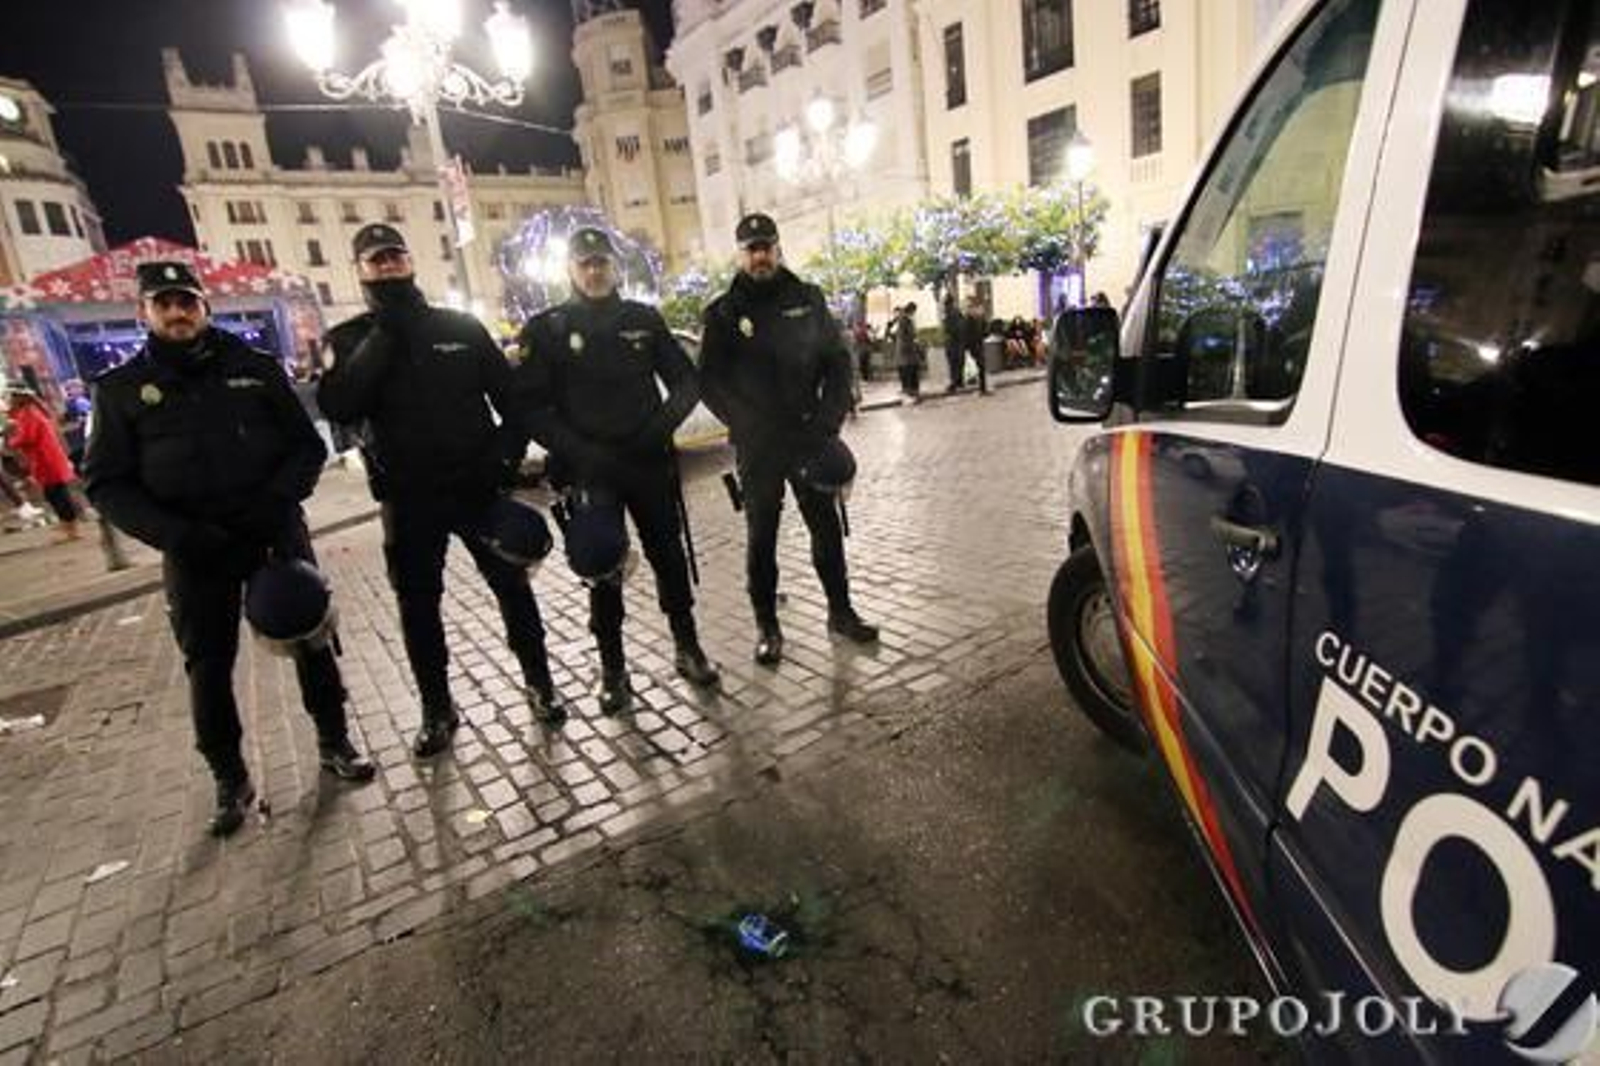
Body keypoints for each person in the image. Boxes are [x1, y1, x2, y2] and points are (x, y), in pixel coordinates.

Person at [84, 261, 374, 837]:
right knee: (208, 665)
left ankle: (335, 741)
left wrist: (278, 500)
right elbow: (106, 484)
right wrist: (176, 535)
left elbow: (306, 447)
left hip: (271, 534)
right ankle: (229, 777)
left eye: (186, 301)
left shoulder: (256, 368)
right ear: (144, 312)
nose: (177, 312)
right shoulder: (120, 390)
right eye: (164, 303)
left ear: (204, 306)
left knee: (312, 640)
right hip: (196, 550)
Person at [319, 223, 566, 753]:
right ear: (359, 270)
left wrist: (503, 461)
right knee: (418, 606)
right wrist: (386, 333)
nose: (388, 266)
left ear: (410, 262)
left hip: (475, 487)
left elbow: (512, 403)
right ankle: (437, 708)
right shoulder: (349, 339)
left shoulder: (460, 327)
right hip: (408, 499)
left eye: (395, 256)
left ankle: (540, 683)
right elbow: (340, 405)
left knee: (513, 586)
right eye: (376, 260)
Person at [513, 227, 718, 714]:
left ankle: (687, 646)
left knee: (669, 556)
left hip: (647, 463)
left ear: (614, 266)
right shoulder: (548, 329)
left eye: (601, 262)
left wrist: (658, 430)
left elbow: (686, 382)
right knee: (602, 565)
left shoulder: (642, 320)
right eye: (585, 263)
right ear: (571, 269)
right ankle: (612, 669)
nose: (594, 271)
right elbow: (531, 408)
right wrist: (576, 451)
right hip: (590, 471)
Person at [700, 213, 879, 665]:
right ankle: (767, 626)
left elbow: (838, 363)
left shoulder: (807, 298)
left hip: (807, 436)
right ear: (740, 255)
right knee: (762, 537)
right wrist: (743, 424)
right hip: (759, 447)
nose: (760, 256)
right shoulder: (723, 313)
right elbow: (710, 382)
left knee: (826, 530)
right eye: (751, 249)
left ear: (778, 249)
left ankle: (841, 613)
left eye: (766, 247)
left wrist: (827, 422)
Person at [5, 389, 81, 542]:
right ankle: (68, 525)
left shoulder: (28, 414)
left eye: (9, 399)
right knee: (56, 493)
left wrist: (11, 442)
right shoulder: (29, 412)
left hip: (45, 459)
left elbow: (28, 437)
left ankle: (71, 530)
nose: (7, 402)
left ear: (18, 400)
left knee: (56, 494)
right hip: (47, 457)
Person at [889, 303, 922, 402]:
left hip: (904, 351)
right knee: (910, 372)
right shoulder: (905, 320)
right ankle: (912, 392)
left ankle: (911, 391)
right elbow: (909, 334)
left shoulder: (901, 320)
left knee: (908, 371)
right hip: (907, 351)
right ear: (911, 310)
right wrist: (914, 340)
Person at [962, 295, 990, 395]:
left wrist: (984, 319)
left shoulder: (979, 319)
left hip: (979, 345)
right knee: (978, 367)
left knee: (981, 367)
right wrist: (966, 348)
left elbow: (985, 332)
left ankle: (983, 388)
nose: (971, 309)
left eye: (972, 307)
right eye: (969, 307)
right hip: (972, 347)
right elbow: (966, 334)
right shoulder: (967, 319)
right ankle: (981, 388)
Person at [941, 296, 964, 394]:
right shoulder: (957, 312)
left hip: (953, 343)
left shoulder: (950, 313)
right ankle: (959, 382)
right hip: (958, 343)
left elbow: (949, 329)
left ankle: (954, 384)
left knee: (953, 364)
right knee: (958, 363)